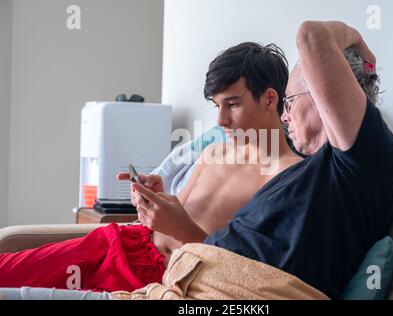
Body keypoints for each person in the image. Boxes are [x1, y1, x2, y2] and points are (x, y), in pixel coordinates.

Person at [0, 42, 300, 293]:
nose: (220, 120)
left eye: (232, 105)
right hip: (126, 240)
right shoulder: (213, 151)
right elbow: (179, 209)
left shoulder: (287, 178)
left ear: (269, 98)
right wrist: (157, 195)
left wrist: (179, 228)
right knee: (6, 272)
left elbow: (246, 271)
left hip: (160, 277)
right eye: (216, 106)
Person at [203, 21, 393, 299]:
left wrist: (359, 43)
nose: (284, 116)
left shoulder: (363, 162)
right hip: (195, 280)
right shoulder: (304, 171)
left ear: (324, 98)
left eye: (290, 101)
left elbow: (311, 35)